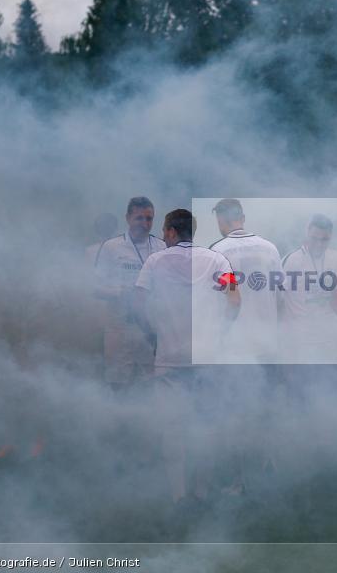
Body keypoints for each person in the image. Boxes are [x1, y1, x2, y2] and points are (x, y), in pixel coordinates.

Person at [134, 209, 240, 506]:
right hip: (207, 357)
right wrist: (220, 333)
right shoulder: (218, 259)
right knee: (205, 424)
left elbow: (138, 303)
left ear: (169, 232)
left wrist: (151, 333)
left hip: (169, 357)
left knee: (172, 427)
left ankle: (178, 495)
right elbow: (234, 298)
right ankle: (202, 492)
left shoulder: (154, 261)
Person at [94, 197, 166, 390]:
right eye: (139, 218)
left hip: (150, 328)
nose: (145, 223)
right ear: (128, 218)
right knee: (118, 383)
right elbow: (95, 288)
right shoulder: (111, 247)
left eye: (149, 219)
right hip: (120, 327)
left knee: (150, 383)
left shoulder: (161, 247)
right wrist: (121, 293)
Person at [209, 199, 283, 364]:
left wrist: (219, 335)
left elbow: (228, 301)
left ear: (220, 221)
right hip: (267, 344)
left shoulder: (218, 252)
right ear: (242, 218)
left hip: (236, 348)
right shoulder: (270, 249)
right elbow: (280, 299)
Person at [280, 214, 337, 363]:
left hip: (330, 339)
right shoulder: (290, 261)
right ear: (307, 233)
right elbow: (279, 302)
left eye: (324, 240)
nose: (319, 244)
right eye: (314, 239)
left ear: (331, 236)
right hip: (301, 341)